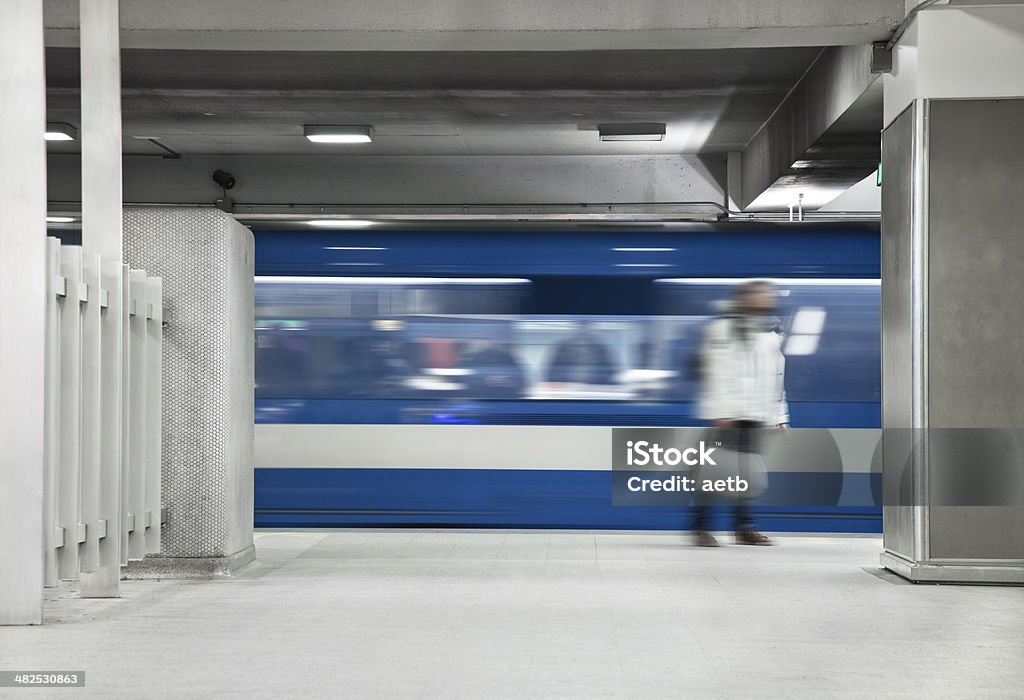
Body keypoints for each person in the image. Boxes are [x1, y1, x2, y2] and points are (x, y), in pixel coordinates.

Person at [693, 280, 789, 547]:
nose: (766, 298)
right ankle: (701, 526)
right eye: (760, 294)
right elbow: (717, 371)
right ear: (745, 298)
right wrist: (722, 411)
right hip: (730, 415)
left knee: (748, 476)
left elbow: (777, 376)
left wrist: (780, 414)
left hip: (756, 415)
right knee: (714, 474)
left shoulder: (770, 331)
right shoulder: (723, 328)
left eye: (768, 294)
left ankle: (744, 527)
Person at [544, 321, 618, 386]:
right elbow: (551, 372)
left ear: (592, 327)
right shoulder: (562, 347)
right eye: (580, 326)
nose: (583, 329)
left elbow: (611, 375)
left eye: (586, 326)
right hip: (567, 390)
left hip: (595, 390)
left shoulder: (601, 349)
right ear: (574, 327)